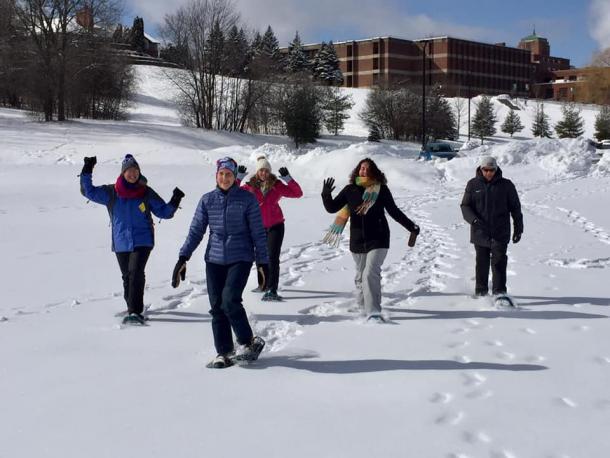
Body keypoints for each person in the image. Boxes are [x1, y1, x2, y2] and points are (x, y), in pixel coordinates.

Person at [172, 157, 269, 369]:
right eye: (221, 174)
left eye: (229, 174)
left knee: (229, 300)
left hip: (241, 257)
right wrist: (183, 257)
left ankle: (247, 341)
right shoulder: (207, 200)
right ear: (216, 176)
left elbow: (258, 232)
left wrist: (263, 262)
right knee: (217, 306)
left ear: (235, 177)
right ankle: (224, 352)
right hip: (214, 259)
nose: (225, 178)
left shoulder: (247, 199)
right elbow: (196, 231)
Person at [80, 154, 184, 325]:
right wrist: (87, 169)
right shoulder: (111, 193)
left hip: (143, 240)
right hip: (121, 241)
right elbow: (88, 191)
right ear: (123, 173)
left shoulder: (146, 193)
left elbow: (164, 212)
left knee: (135, 272)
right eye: (129, 171)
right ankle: (132, 307)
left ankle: (135, 312)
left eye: (135, 171)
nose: (133, 174)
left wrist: (175, 200)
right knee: (127, 276)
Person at [321, 158, 419, 322]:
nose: (363, 171)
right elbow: (331, 208)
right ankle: (362, 307)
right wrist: (325, 194)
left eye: (366, 168)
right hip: (358, 240)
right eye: (361, 168)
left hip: (379, 238)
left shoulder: (381, 189)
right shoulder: (350, 189)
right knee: (360, 276)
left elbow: (394, 211)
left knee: (369, 273)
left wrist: (411, 227)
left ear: (373, 171)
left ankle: (374, 312)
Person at [238, 156, 303, 301]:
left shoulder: (277, 185)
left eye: (266, 170)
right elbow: (232, 193)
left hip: (276, 226)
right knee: (260, 257)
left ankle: (272, 289)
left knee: (272, 257)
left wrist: (288, 179)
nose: (264, 173)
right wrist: (238, 178)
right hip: (257, 228)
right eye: (261, 170)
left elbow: (298, 194)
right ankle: (263, 285)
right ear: (257, 172)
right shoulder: (249, 187)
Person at [460, 156, 523, 299]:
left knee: (499, 262)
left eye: (492, 170)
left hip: (500, 231)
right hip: (480, 232)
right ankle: (481, 293)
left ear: (496, 169)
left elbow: (516, 208)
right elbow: (465, 206)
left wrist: (518, 229)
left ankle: (499, 294)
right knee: (481, 263)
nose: (489, 173)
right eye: (486, 170)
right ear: (481, 169)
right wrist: (473, 220)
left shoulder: (506, 185)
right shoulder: (473, 184)